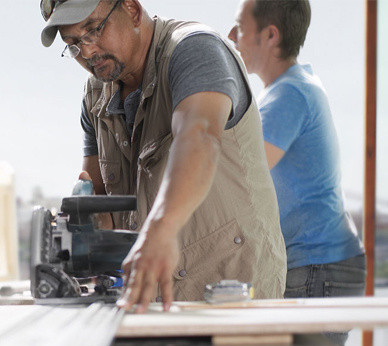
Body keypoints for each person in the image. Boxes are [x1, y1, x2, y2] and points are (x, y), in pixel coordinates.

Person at [40, 0, 286, 313]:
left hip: (234, 297)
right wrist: (83, 229)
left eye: (93, 30)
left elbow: (199, 137)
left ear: (131, 9)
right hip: (154, 302)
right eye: (73, 44)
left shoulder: (195, 50)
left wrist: (161, 228)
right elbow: (100, 202)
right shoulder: (94, 97)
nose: (87, 52)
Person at [228, 1, 365, 346]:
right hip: (324, 263)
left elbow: (242, 177)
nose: (232, 37)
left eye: (239, 27)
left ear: (270, 35)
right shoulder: (294, 87)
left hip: (318, 265)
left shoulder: (288, 96)